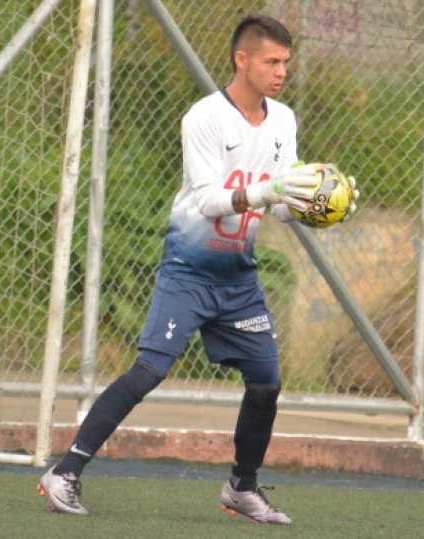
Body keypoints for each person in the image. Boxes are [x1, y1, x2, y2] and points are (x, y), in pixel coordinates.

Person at [38, 14, 318, 526]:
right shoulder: (204, 117)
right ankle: (65, 471)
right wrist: (269, 192)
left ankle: (242, 487)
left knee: (266, 382)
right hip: (188, 271)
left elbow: (279, 201)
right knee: (150, 370)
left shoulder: (284, 120)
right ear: (243, 60)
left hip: (238, 278)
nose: (282, 71)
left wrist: (311, 203)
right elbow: (212, 199)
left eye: (286, 62)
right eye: (272, 61)